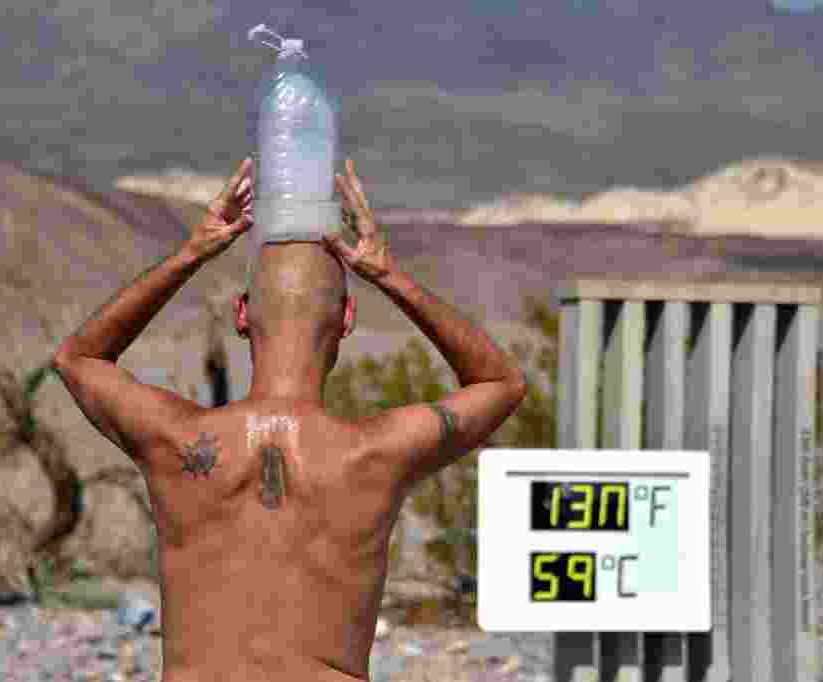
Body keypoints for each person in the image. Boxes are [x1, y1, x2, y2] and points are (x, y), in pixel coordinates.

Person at [52, 157, 528, 681]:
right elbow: (500, 383)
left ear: (241, 314)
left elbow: (79, 359)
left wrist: (192, 253)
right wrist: (388, 275)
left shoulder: (175, 439)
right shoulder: (376, 453)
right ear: (347, 319)